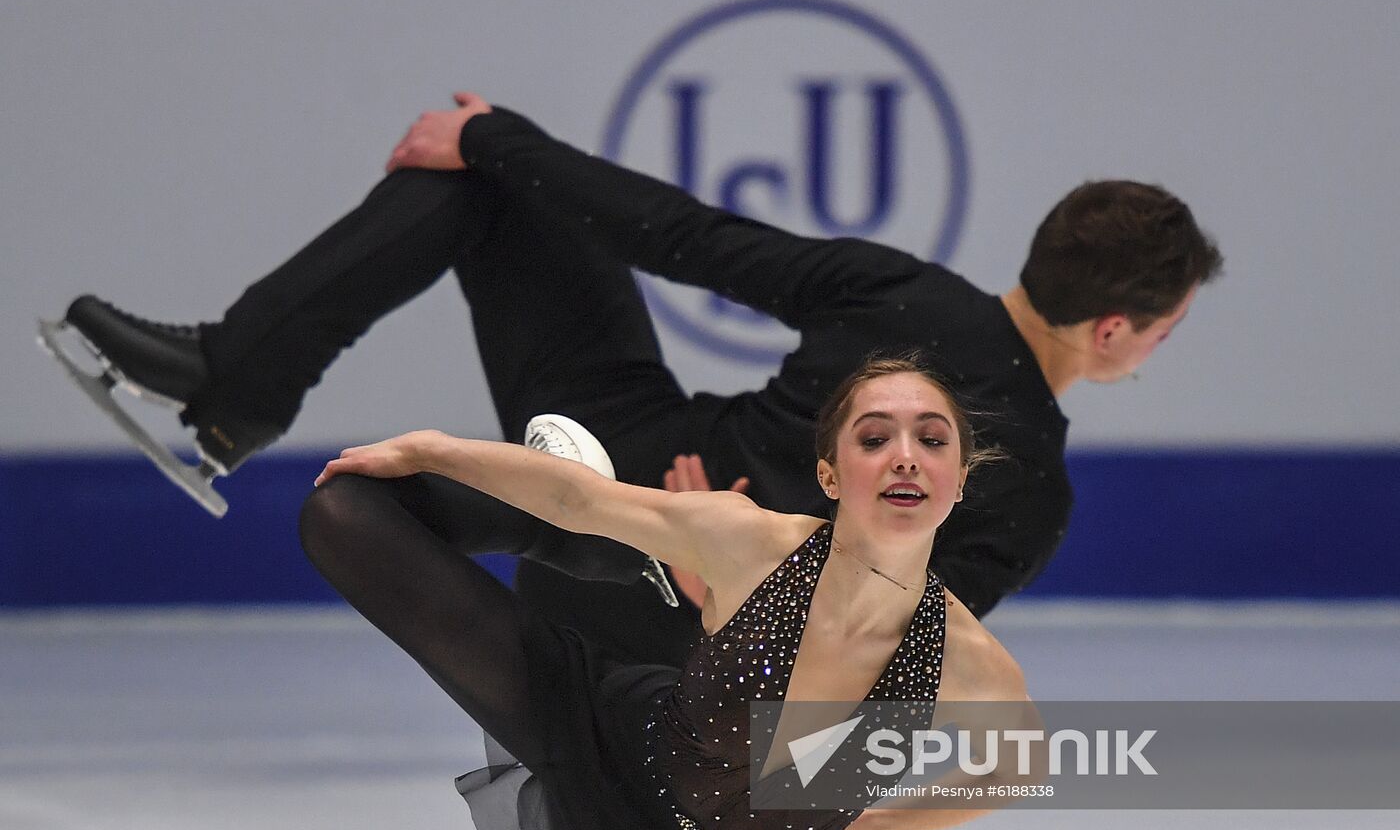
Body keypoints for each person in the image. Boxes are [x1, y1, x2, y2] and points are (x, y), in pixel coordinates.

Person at [47, 91, 1222, 663]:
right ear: (1115, 328)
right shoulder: (1031, 485)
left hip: (669, 576)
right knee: (490, 185)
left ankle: (234, 383)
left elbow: (685, 236)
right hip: (646, 525)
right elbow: (889, 660)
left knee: (485, 175)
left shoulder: (906, 293)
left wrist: (497, 132)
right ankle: (237, 390)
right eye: (1166, 330)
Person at [298, 358, 1042, 830]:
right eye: (875, 437)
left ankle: (614, 550)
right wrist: (429, 447)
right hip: (607, 731)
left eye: (932, 439)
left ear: (959, 480)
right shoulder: (752, 541)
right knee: (344, 510)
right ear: (830, 474)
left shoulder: (967, 664)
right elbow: (575, 493)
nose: (905, 454)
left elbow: (1022, 766)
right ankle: (595, 552)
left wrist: (866, 829)